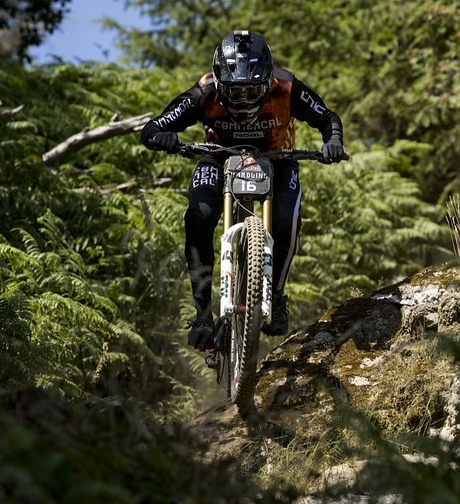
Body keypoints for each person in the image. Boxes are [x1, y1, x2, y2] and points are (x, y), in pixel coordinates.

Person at [140, 30, 345, 350]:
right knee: (198, 216)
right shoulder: (203, 92)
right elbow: (154, 127)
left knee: (286, 217)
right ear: (220, 85)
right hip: (217, 158)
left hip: (278, 161)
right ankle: (202, 314)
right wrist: (162, 136)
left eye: (253, 91)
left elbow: (326, 118)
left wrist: (332, 142)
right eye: (235, 93)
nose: (245, 100)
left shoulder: (288, 87)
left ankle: (275, 295)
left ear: (268, 82)